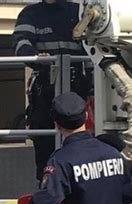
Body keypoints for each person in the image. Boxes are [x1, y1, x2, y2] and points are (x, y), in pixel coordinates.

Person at [12, 0, 92, 181]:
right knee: (44, 141)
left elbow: (91, 46)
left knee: (81, 139)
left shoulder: (78, 12)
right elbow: (20, 42)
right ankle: (46, 185)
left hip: (77, 86)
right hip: (44, 89)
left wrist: (93, 88)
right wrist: (34, 57)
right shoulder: (31, 13)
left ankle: (80, 184)